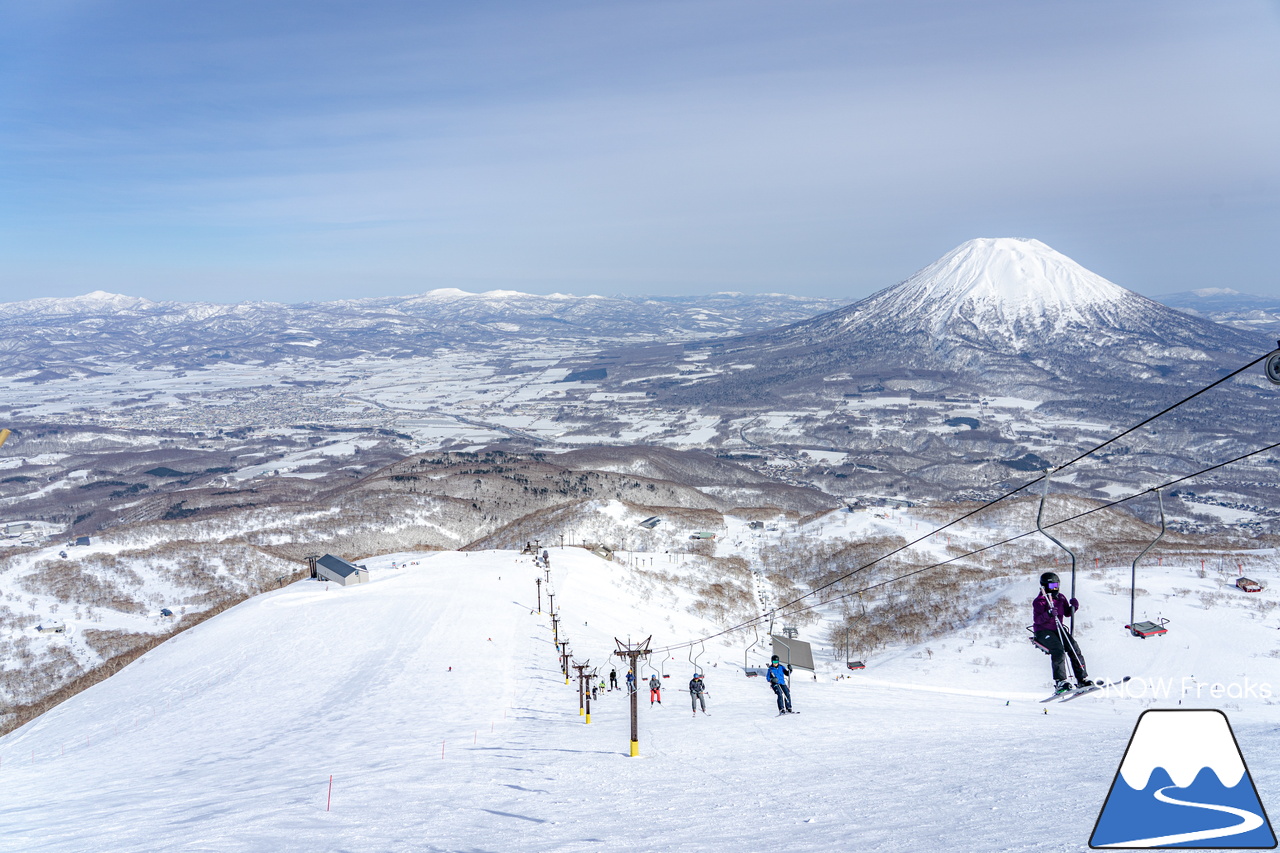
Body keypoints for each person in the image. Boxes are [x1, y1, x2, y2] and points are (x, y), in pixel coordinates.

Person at [1033, 571, 1093, 693]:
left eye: (1057, 585)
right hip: (1043, 631)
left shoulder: (1060, 598)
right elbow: (1037, 620)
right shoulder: (1040, 601)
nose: (1055, 588)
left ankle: (1082, 679)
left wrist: (1073, 607)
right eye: (1052, 586)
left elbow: (1066, 612)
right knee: (1058, 650)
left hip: (1058, 629)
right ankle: (1060, 681)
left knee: (1074, 647)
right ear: (1044, 586)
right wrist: (1048, 613)